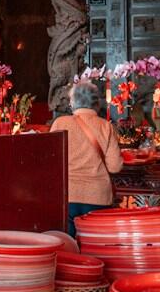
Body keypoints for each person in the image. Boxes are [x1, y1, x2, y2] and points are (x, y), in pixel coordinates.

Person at [52, 79, 123, 235]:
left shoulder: (61, 123)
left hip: (67, 195)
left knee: (68, 247)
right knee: (94, 245)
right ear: (96, 102)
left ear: (73, 102)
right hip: (98, 198)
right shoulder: (105, 126)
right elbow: (115, 166)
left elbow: (50, 162)